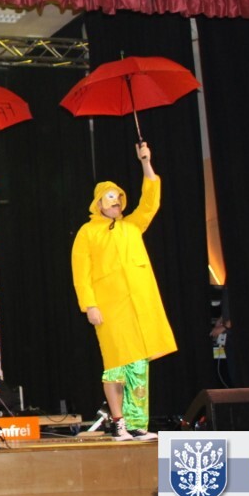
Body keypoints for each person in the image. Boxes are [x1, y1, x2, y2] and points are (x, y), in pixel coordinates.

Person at [71, 141, 176, 442]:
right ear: (98, 203)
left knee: (138, 367)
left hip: (138, 308)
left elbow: (151, 202)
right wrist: (89, 305)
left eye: (118, 196)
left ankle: (137, 423)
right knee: (116, 366)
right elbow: (81, 273)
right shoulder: (87, 232)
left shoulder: (132, 226)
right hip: (109, 309)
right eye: (110, 197)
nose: (116, 201)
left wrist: (146, 162)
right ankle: (118, 422)